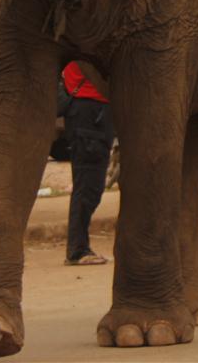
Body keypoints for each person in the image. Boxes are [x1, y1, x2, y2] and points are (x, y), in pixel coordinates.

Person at [61, 61, 115, 266]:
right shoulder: (85, 49)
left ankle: (79, 247)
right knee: (88, 184)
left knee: (88, 184)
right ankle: (77, 249)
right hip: (91, 113)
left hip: (90, 112)